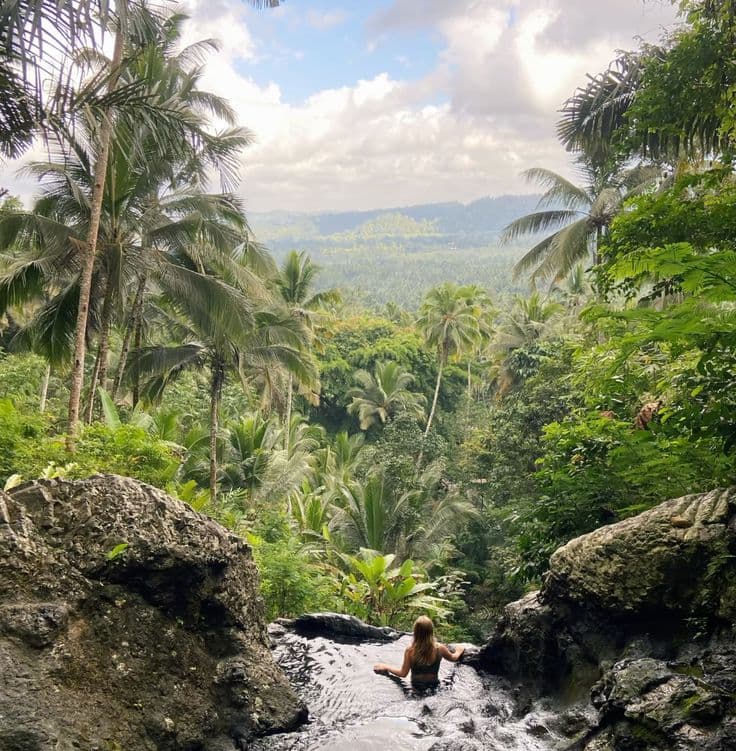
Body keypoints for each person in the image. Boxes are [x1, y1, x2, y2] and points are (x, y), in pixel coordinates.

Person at [373, 615, 464, 685]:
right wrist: (459, 650)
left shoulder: (410, 651)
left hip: (416, 687)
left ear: (415, 632)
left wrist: (386, 666)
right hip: (434, 686)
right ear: (431, 631)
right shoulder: (439, 648)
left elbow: (403, 673)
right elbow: (453, 658)